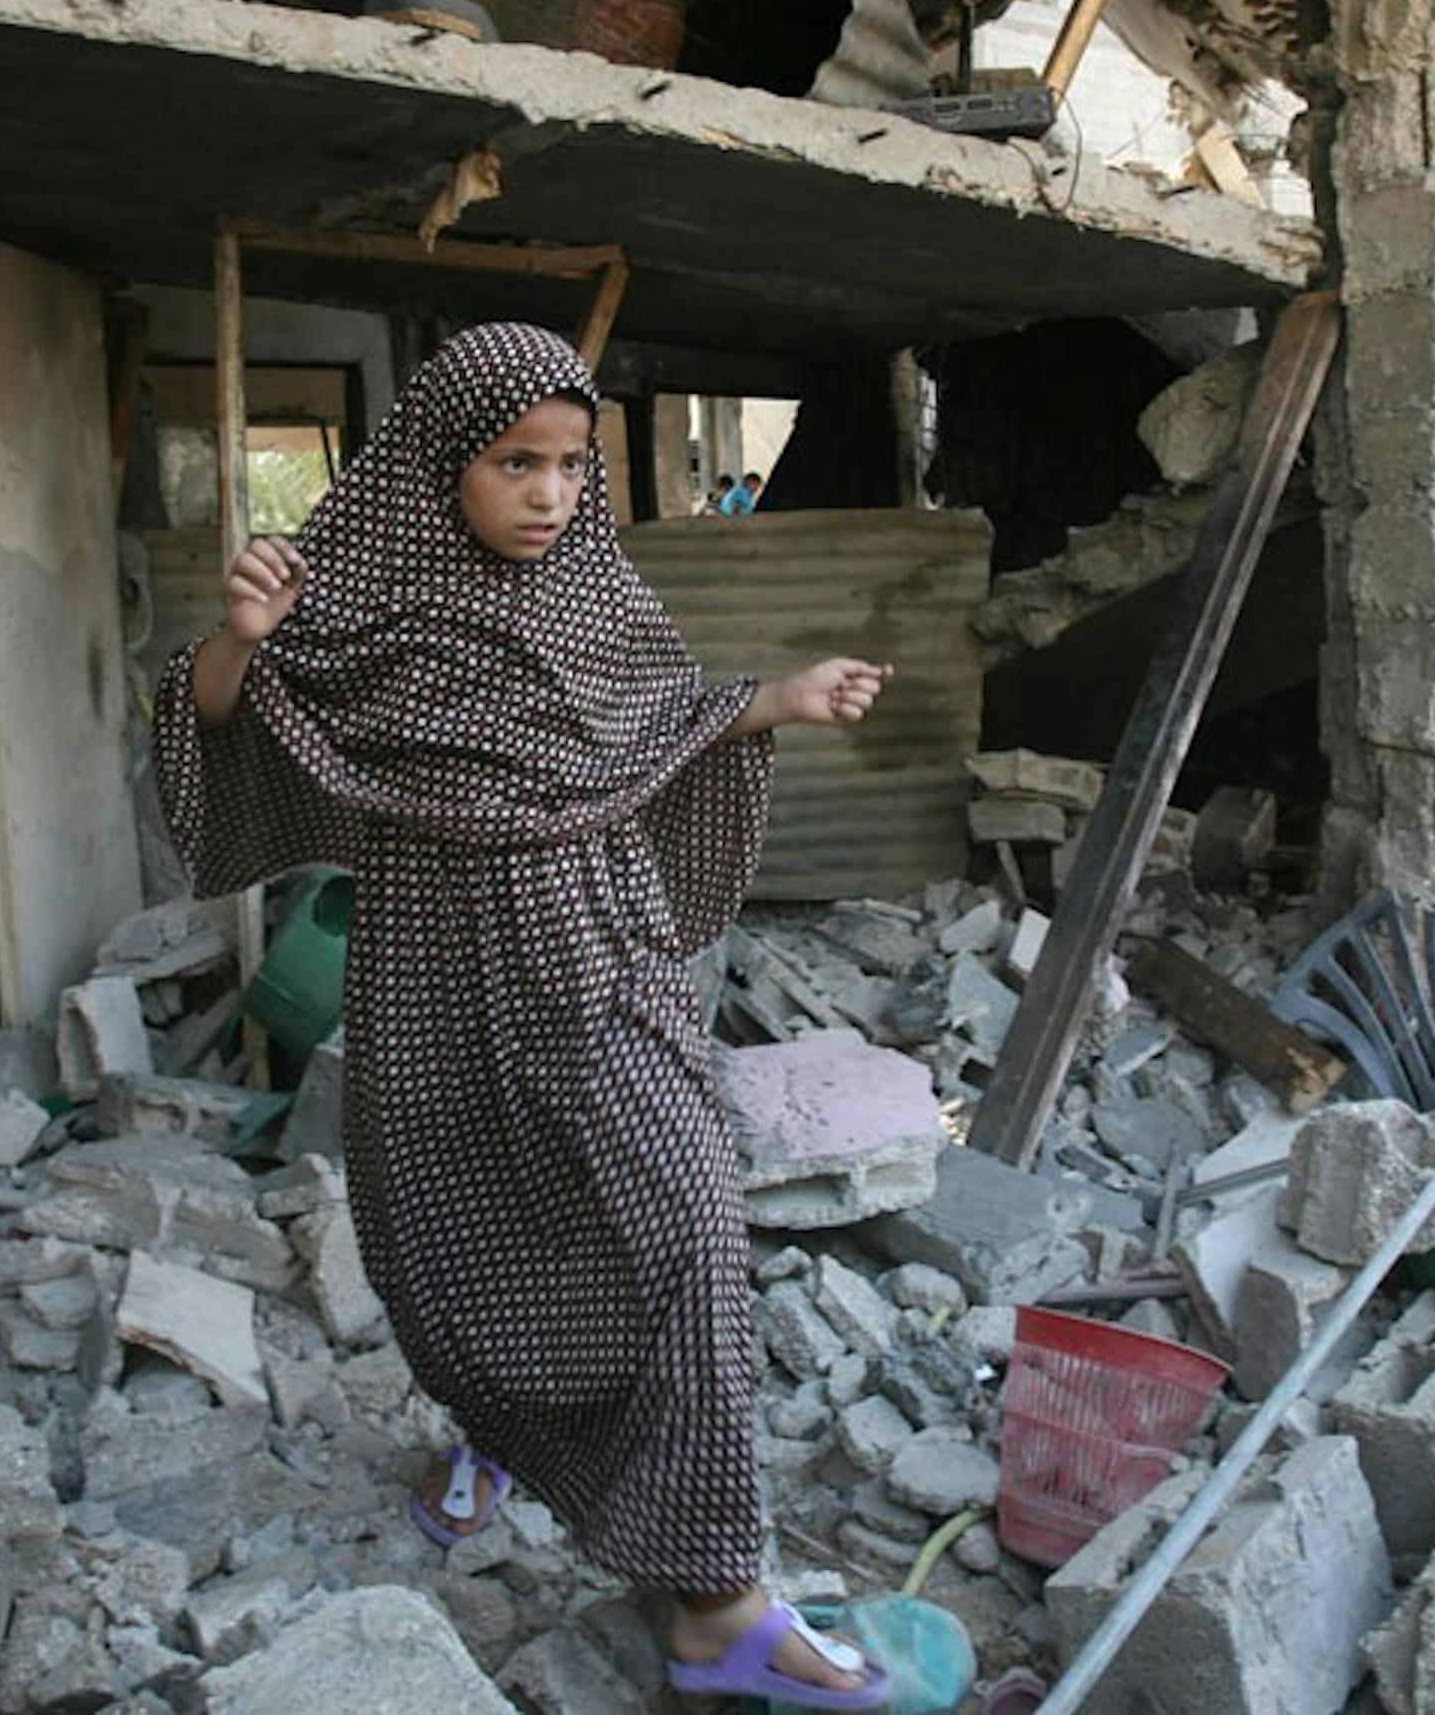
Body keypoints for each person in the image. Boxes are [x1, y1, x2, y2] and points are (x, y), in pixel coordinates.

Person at [157, 323, 897, 1709]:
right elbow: (220, 723)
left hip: (600, 958)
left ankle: (718, 1603)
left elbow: (658, 722)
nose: (549, 491)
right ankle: (506, 1426)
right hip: (436, 978)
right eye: (515, 462)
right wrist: (233, 642)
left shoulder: (597, 597)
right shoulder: (359, 608)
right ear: (445, 463)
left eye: (569, 463)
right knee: (460, 1232)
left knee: (687, 1217)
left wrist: (782, 698)